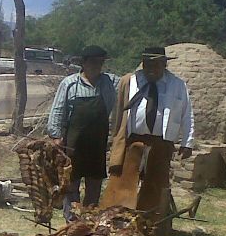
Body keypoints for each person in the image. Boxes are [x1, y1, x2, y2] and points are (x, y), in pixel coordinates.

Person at [106, 46, 194, 213]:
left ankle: (155, 221)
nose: (151, 69)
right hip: (135, 141)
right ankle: (123, 218)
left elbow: (187, 114)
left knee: (157, 183)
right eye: (147, 65)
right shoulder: (131, 82)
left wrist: (187, 142)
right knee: (127, 181)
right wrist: (116, 139)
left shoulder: (177, 86)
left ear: (164, 65)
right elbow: (118, 114)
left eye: (156, 65)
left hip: (161, 143)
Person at [47, 45, 119, 222]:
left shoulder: (109, 83)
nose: (97, 66)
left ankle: (88, 222)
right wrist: (55, 135)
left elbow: (131, 84)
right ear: (84, 63)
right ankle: (71, 222)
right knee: (71, 185)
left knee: (94, 185)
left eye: (100, 63)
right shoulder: (70, 83)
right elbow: (57, 110)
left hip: (97, 145)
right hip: (73, 144)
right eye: (93, 62)